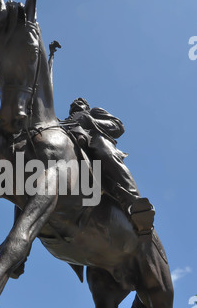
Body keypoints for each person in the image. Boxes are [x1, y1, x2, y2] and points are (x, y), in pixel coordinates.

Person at [65, 97, 155, 238]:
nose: (75, 104)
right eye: (72, 104)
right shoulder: (65, 121)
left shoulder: (94, 112)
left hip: (94, 142)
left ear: (86, 106)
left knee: (106, 153)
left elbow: (118, 126)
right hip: (72, 152)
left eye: (80, 102)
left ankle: (134, 204)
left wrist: (91, 121)